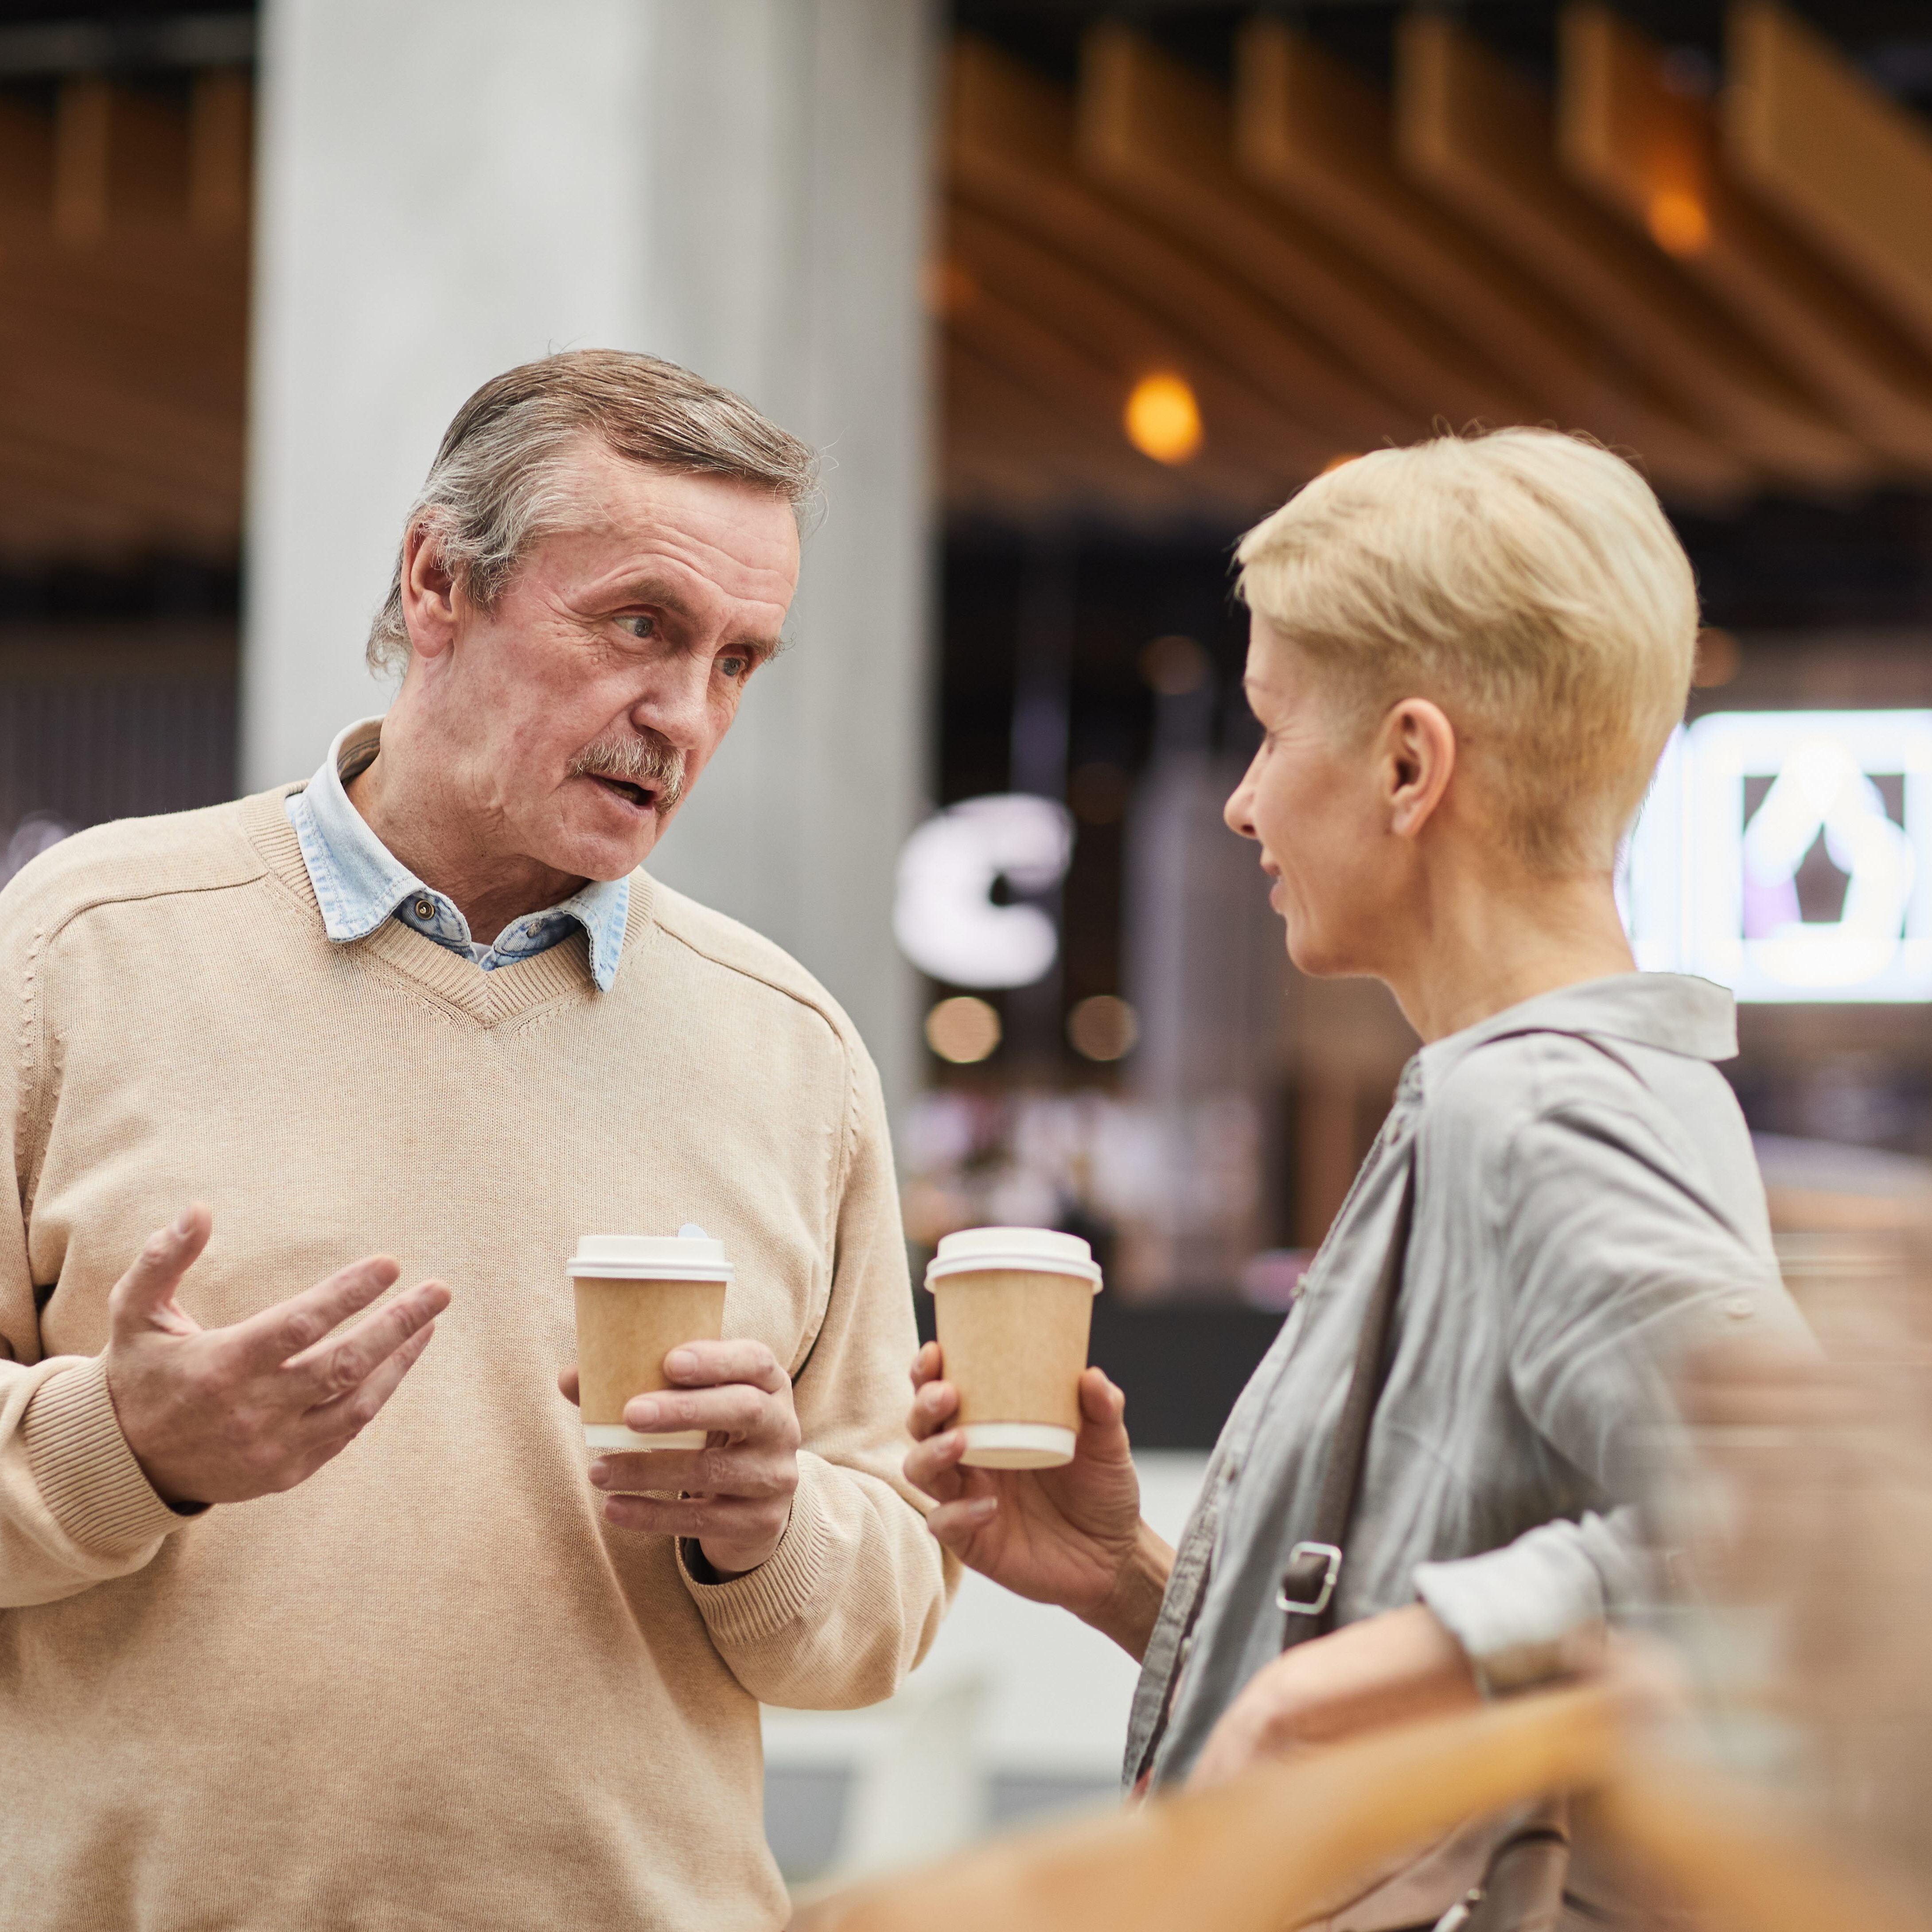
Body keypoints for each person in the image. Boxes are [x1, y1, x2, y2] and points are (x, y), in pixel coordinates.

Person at [0, 351, 947, 1932]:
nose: (683, 711)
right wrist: (131, 1451)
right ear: (438, 580)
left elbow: (888, 1609)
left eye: (738, 659)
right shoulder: (80, 948)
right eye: (641, 624)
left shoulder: (796, 1051)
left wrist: (770, 1529)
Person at [907, 428, 1806, 1929]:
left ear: (1408, 764)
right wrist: (1129, 1572)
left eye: (1269, 730)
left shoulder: (1540, 1115)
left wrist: (1344, 1691)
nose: (1242, 802)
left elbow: (1781, 1548)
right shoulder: (1533, 1093)